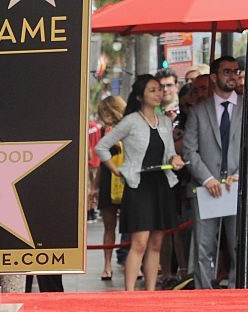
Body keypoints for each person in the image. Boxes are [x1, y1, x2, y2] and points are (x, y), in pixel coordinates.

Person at [96, 75, 184, 291]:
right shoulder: (131, 121)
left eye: (159, 89)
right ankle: (130, 294)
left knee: (156, 243)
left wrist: (175, 160)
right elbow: (101, 147)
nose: (159, 93)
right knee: (139, 243)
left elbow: (170, 153)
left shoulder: (165, 121)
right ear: (139, 96)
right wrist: (118, 171)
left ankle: (151, 292)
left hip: (161, 183)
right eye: (152, 90)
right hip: (138, 185)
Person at [182, 55, 241, 290]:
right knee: (203, 248)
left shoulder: (244, 107)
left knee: (238, 246)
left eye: (236, 71)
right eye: (227, 72)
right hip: (206, 188)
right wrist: (207, 178)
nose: (233, 76)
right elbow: (189, 150)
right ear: (214, 77)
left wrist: (240, 175)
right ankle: (204, 296)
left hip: (237, 187)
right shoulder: (199, 111)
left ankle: (238, 292)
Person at [96, 95, 127, 281]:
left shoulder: (131, 126)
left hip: (126, 176)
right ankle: (107, 265)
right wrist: (94, 187)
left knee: (131, 226)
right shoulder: (102, 131)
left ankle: (134, 263)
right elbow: (101, 162)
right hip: (109, 177)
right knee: (109, 226)